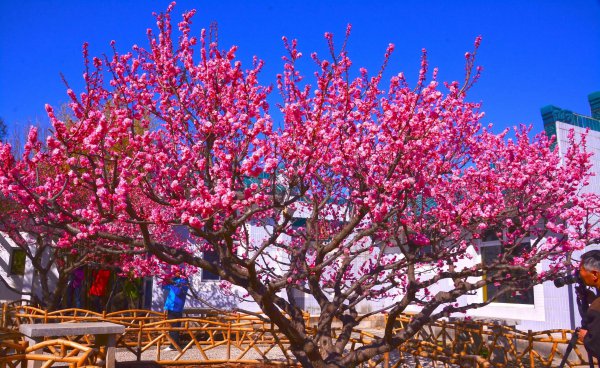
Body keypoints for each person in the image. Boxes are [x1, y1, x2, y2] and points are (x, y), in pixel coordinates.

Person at [577, 250, 600, 359]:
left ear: (595, 274)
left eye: (581, 270)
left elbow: (597, 346)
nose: (579, 275)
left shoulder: (597, 307)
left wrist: (586, 337)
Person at [162, 273, 189, 351]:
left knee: (174, 327)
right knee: (172, 327)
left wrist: (172, 283)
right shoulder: (176, 280)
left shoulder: (184, 281)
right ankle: (174, 344)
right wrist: (168, 280)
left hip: (176, 307)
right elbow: (164, 286)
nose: (175, 272)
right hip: (171, 307)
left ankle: (173, 346)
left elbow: (178, 292)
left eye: (177, 271)